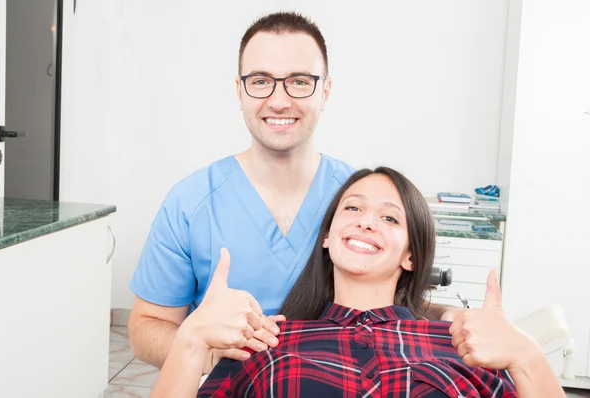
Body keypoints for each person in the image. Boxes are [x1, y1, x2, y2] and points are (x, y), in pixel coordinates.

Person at [128, 11, 455, 373]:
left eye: (299, 82)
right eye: (260, 80)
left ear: (325, 91)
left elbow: (400, 301)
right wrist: (208, 346)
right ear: (239, 91)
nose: (279, 100)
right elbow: (145, 328)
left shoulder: (359, 203)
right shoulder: (189, 203)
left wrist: (453, 317)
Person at [150, 166, 565, 397]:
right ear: (328, 237)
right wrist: (190, 341)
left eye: (389, 217)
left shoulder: (463, 350)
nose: (367, 221)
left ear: (411, 255)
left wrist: (527, 356)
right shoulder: (266, 344)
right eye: (353, 208)